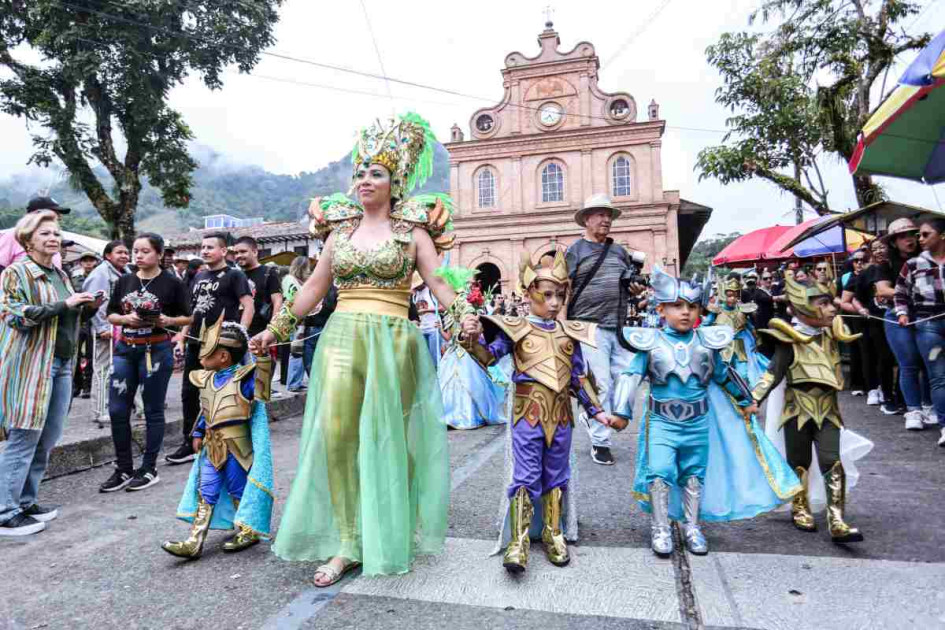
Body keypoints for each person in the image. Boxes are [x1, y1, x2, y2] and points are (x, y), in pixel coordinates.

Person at [252, 113, 457, 585]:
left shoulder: (413, 232)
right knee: (338, 437)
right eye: (361, 172)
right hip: (342, 337)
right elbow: (312, 291)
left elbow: (439, 284)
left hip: (394, 341)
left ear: (395, 181)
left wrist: (462, 318)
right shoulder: (338, 233)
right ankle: (347, 541)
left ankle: (386, 531)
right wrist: (275, 329)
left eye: (377, 173)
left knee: (389, 438)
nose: (365, 179)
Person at [610, 266, 797, 556]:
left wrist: (746, 399)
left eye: (692, 306)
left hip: (698, 423)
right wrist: (621, 412)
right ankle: (660, 528)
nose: (685, 312)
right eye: (676, 306)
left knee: (694, 475)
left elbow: (725, 374)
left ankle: (692, 526)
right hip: (662, 422)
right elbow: (630, 375)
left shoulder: (707, 343)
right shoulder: (651, 343)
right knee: (659, 473)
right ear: (661, 310)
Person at [460, 251, 608, 572]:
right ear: (529, 294)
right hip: (527, 414)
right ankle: (519, 541)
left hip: (561, 417)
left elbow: (579, 377)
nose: (554, 303)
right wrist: (471, 340)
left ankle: (554, 534)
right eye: (547, 294)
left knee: (557, 475)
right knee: (525, 475)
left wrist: (598, 412)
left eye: (560, 295)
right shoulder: (514, 329)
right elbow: (488, 358)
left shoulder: (571, 333)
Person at [0, 210, 103, 536]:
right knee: (24, 435)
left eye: (56, 233)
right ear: (28, 239)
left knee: (47, 438)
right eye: (45, 233)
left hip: (62, 364)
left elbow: (68, 316)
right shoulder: (17, 272)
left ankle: (26, 502)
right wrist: (66, 305)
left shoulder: (59, 272)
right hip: (31, 365)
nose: (53, 238)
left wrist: (87, 307)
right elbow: (14, 315)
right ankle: (4, 511)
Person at [751, 270, 872, 543]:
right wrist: (752, 400)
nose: (831, 308)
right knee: (799, 462)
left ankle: (837, 519)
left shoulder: (832, 334)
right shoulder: (789, 339)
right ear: (801, 306)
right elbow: (773, 374)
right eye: (822, 303)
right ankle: (800, 506)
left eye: (830, 302)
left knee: (832, 460)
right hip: (797, 410)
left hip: (828, 410)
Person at [162, 314, 275, 558]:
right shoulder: (207, 379)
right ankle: (194, 541)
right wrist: (199, 432)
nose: (201, 354)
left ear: (223, 356)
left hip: (237, 445)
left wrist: (263, 358)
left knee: (237, 486)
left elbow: (262, 391)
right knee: (207, 489)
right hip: (212, 445)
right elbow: (207, 410)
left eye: (207, 350)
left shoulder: (244, 378)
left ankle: (247, 529)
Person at [98, 233, 192, 493]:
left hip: (156, 350)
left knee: (152, 410)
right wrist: (126, 320)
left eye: (145, 251)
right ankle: (124, 467)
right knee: (118, 410)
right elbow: (111, 315)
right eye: (135, 251)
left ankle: (149, 468)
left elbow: (188, 317)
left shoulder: (172, 283)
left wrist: (167, 321)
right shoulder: (124, 281)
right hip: (125, 349)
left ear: (159, 254)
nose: (138, 256)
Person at [565, 193, 642, 466]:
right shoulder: (574, 251)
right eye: (600, 214)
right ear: (587, 219)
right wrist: (562, 327)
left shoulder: (620, 252)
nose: (606, 219)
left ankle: (591, 415)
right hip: (587, 326)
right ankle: (601, 441)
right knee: (601, 385)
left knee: (629, 377)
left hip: (618, 326)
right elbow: (564, 289)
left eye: (609, 215)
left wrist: (635, 287)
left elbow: (628, 287)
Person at [167, 233, 254, 466]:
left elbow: (248, 306)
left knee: (223, 392)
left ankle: (226, 438)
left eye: (210, 247)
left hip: (221, 346)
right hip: (196, 342)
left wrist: (239, 335)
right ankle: (190, 440)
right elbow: (192, 311)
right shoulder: (197, 276)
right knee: (189, 392)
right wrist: (182, 338)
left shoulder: (235, 275)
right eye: (203, 247)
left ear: (224, 251)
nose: (205, 251)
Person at [878, 218, 935, 431]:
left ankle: (930, 406)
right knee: (908, 363)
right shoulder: (885, 265)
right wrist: (914, 293)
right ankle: (913, 410)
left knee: (930, 362)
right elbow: (883, 290)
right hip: (896, 316)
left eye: (912, 234)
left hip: (927, 315)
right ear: (893, 242)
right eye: (902, 236)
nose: (909, 239)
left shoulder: (928, 258)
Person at [895, 217, 945, 447]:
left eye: (926, 234)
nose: (920, 239)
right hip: (928, 325)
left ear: (941, 236)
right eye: (919, 235)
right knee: (938, 377)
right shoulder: (913, 264)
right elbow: (900, 293)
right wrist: (902, 314)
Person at [852, 239, 903, 414]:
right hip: (876, 321)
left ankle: (901, 396)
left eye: (882, 247)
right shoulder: (867, 273)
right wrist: (861, 308)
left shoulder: (898, 267)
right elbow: (855, 297)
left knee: (904, 360)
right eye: (875, 249)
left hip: (900, 318)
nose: (879, 251)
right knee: (885, 358)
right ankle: (887, 396)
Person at [83, 240, 131, 425]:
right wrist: (102, 327)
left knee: (119, 368)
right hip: (106, 329)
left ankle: (118, 406)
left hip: (122, 327)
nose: (124, 256)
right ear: (108, 255)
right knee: (102, 369)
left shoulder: (125, 272)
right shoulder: (100, 274)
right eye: (119, 252)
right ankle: (100, 410)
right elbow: (93, 303)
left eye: (126, 252)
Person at [703, 274, 767, 385]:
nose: (732, 299)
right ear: (724, 295)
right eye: (729, 295)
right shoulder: (717, 311)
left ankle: (745, 398)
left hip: (740, 345)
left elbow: (750, 326)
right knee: (722, 376)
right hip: (721, 348)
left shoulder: (742, 310)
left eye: (735, 296)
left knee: (743, 375)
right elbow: (705, 325)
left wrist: (758, 340)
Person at [0, 196, 69, 271]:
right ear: (37, 213)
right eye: (55, 214)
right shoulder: (13, 235)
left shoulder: (54, 237)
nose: (59, 217)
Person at [233, 237, 283, 340]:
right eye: (236, 253)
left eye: (243, 251)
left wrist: (272, 330)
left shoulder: (268, 272)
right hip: (238, 332)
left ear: (255, 252)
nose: (238, 256)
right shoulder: (235, 275)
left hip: (260, 334)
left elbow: (277, 301)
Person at [71, 251, 100, 400]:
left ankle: (88, 386)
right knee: (75, 353)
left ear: (95, 262)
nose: (88, 263)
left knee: (90, 353)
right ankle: (77, 384)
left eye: (91, 260)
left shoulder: (99, 277)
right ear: (81, 263)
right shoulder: (74, 278)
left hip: (94, 318)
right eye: (85, 261)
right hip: (79, 318)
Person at [282, 255, 310, 391]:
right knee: (296, 351)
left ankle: (296, 382)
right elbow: (291, 298)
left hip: (301, 321)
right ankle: (293, 383)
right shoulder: (290, 280)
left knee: (299, 351)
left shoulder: (298, 280)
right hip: (296, 321)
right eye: (307, 268)